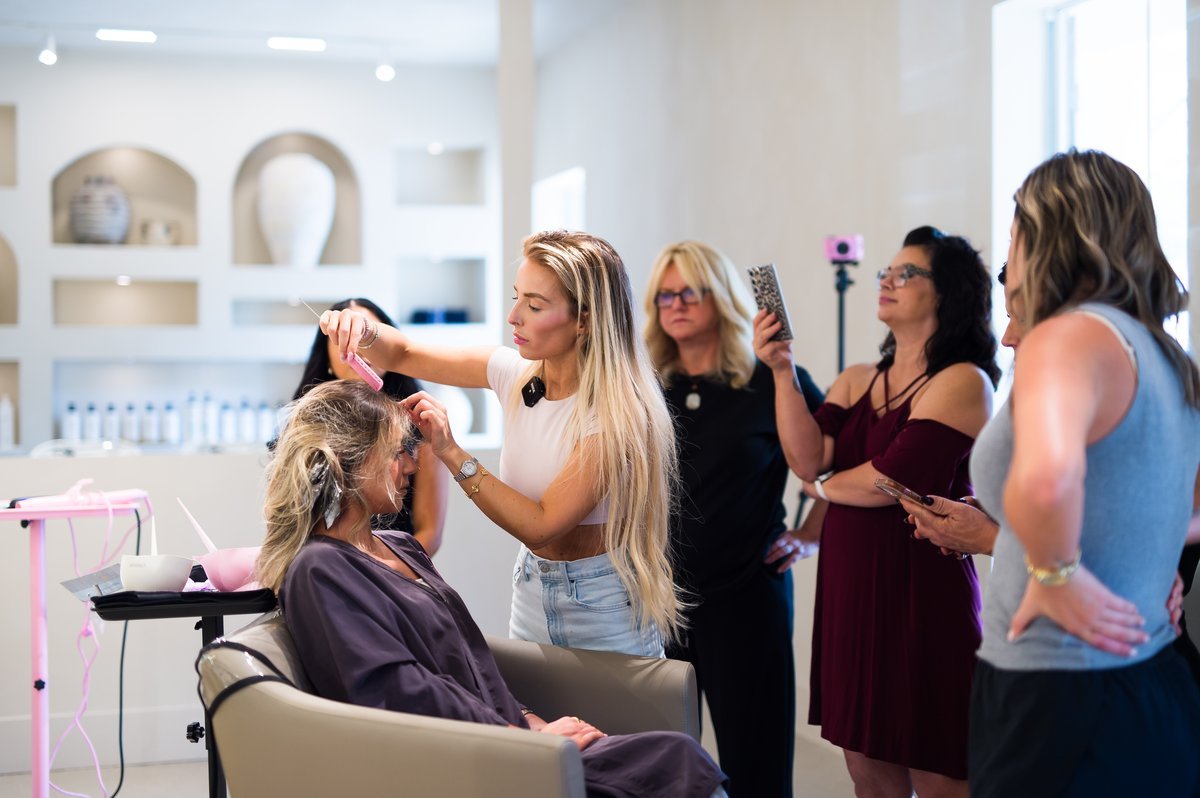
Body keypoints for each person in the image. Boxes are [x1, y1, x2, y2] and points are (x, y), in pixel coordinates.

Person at [253, 380, 728, 798]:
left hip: (509, 739)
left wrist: (531, 721)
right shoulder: (320, 570)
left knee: (673, 757)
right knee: (676, 762)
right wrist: (524, 741)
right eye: (399, 450)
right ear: (352, 460)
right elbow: (397, 692)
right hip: (472, 762)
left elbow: (469, 659)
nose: (413, 464)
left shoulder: (399, 546)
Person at [962, 149, 1200, 797]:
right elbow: (1186, 510)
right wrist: (1157, 569)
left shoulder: (1067, 338)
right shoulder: (1165, 354)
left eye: (1015, 235)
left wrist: (1056, 573)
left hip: (1060, 697)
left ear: (1049, 237)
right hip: (1149, 684)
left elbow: (1046, 479)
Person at [320, 230, 680, 657]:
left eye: (534, 305)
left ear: (584, 320)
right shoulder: (515, 374)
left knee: (619, 726)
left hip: (601, 605)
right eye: (516, 297)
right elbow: (404, 352)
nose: (514, 317)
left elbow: (541, 526)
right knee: (541, 724)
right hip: (530, 587)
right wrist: (362, 330)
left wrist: (451, 452)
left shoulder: (617, 414)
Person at [754, 225, 1000, 797]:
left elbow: (893, 477)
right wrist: (782, 369)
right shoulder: (858, 379)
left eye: (906, 273)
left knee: (942, 777)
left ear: (947, 293)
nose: (886, 280)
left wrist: (822, 487)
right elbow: (805, 456)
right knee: (869, 778)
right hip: (852, 596)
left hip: (923, 600)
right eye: (885, 271)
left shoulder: (964, 380)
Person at [901, 266, 1200, 683]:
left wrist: (987, 538)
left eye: (1018, 315)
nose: (1007, 336)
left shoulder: (1138, 394)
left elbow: (1111, 564)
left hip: (1108, 670)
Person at [642, 240, 822, 797]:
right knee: (661, 764)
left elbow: (836, 464)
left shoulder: (768, 380)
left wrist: (810, 535)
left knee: (757, 762)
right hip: (660, 600)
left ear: (719, 297)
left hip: (747, 598)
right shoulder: (648, 388)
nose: (674, 305)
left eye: (687, 292)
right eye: (664, 295)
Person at [288, 298, 448, 556]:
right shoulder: (303, 428)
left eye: (368, 334)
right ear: (326, 353)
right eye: (345, 335)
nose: (359, 347)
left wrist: (380, 574)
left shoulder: (422, 427)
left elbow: (429, 534)